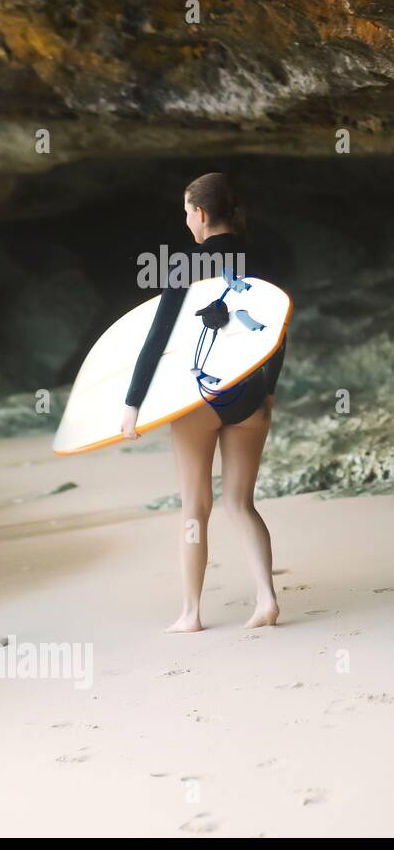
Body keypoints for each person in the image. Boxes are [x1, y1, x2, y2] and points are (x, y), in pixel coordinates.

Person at [121, 173, 285, 633]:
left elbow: (158, 337)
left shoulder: (185, 264)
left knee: (195, 507)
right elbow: (276, 328)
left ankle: (191, 613)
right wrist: (269, 390)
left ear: (200, 214)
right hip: (250, 393)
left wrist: (133, 404)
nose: (187, 220)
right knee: (241, 502)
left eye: (187, 211)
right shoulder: (261, 256)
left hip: (200, 398)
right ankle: (267, 598)